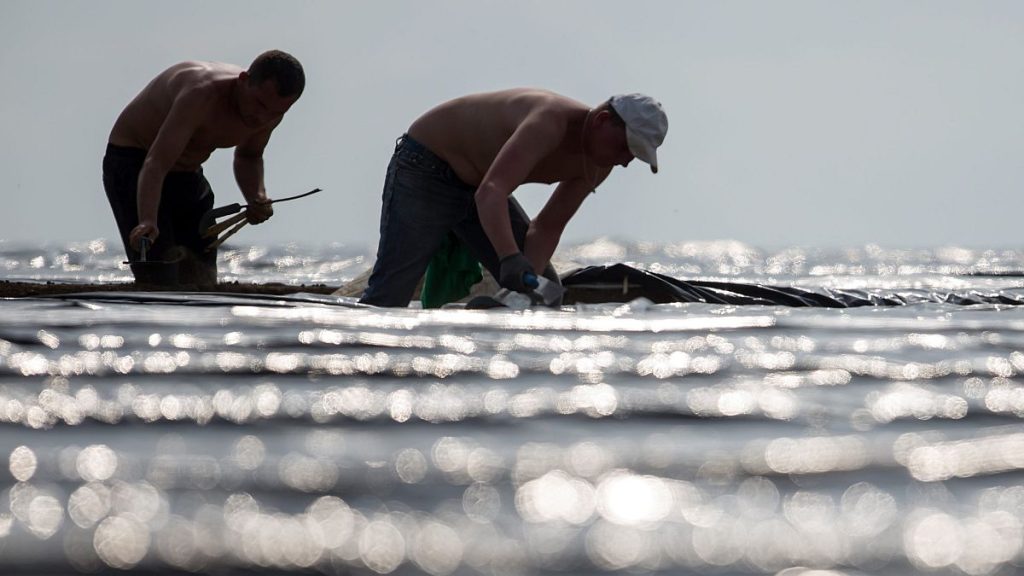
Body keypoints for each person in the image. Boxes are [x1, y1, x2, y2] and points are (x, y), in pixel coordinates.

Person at [359, 88, 668, 307]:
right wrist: (509, 258)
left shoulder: (600, 164)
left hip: (479, 186)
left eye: (634, 155)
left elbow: (547, 227)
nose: (626, 160)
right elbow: (492, 192)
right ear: (601, 121)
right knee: (389, 295)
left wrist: (524, 286)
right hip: (427, 166)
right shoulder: (549, 122)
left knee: (544, 296)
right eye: (626, 148)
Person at [103, 50, 305, 286]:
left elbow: (249, 156)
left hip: (187, 172)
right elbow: (156, 163)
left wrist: (257, 198)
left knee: (200, 274)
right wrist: (147, 219)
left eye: (277, 111)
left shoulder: (270, 112)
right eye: (259, 104)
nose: (263, 117)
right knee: (160, 275)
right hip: (135, 163)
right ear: (243, 81)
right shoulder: (201, 93)